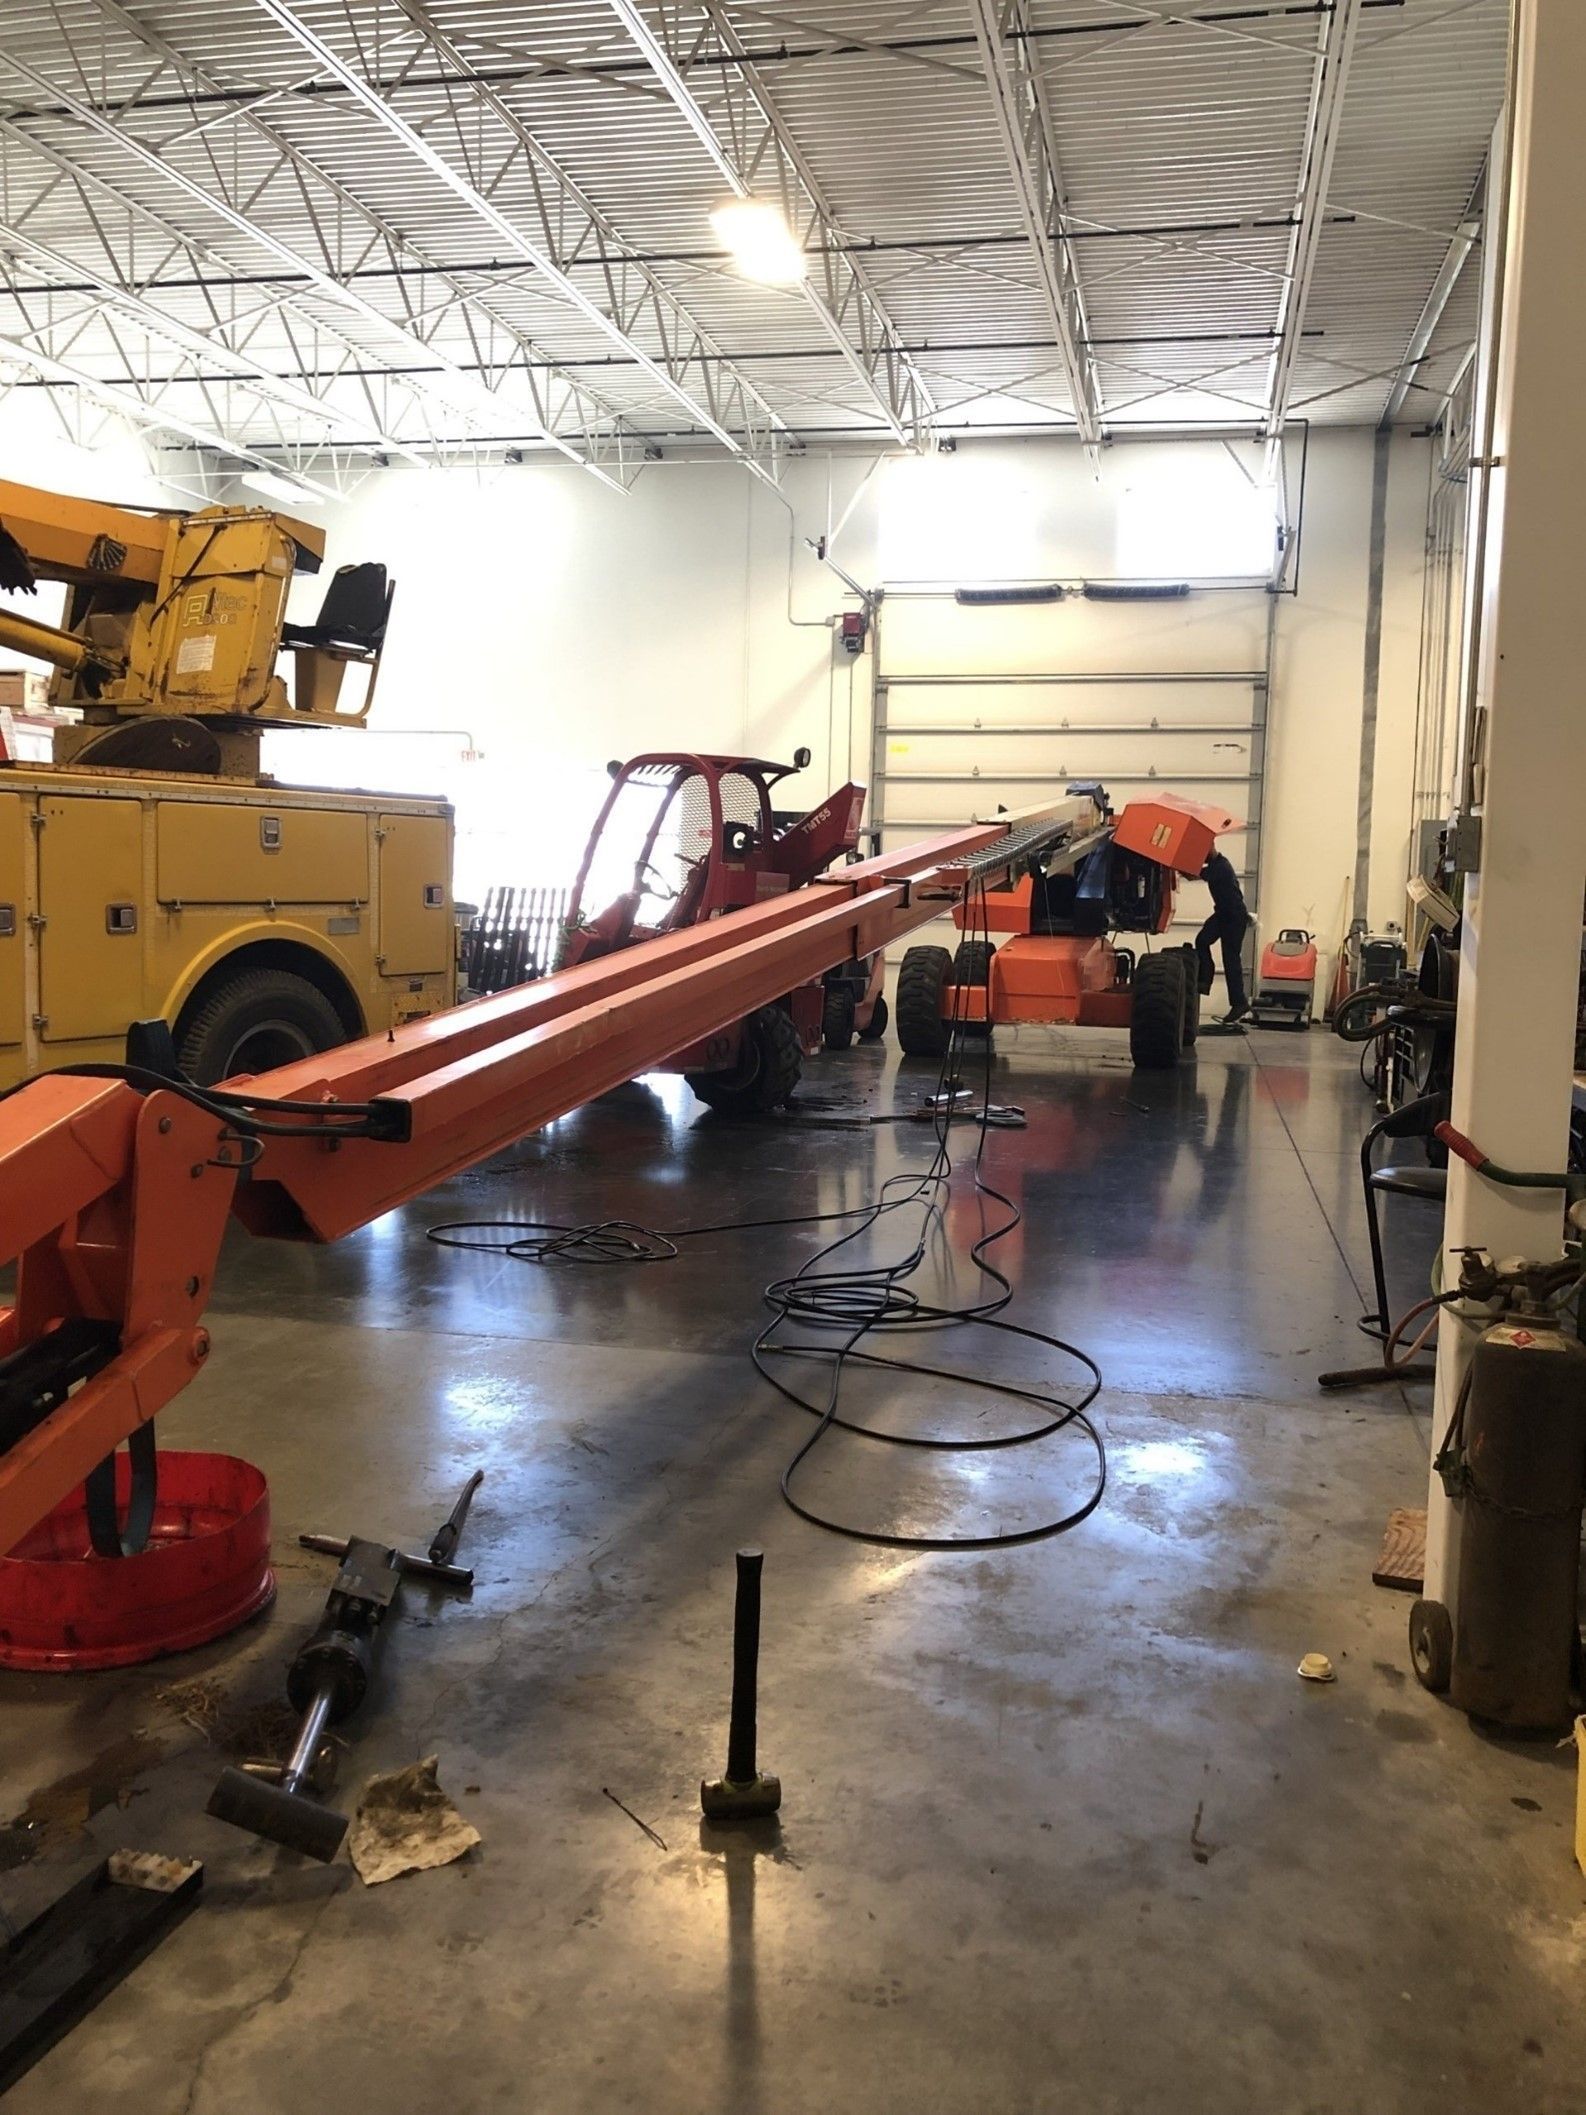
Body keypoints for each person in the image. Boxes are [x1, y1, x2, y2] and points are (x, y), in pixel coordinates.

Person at [1195, 849, 1251, 1023]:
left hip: (1233, 916)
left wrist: (1176, 864)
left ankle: (1239, 1003)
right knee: (1202, 940)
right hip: (1223, 914)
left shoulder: (1220, 866)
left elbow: (1195, 874)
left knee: (1231, 959)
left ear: (1211, 846)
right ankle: (1205, 979)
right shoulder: (1216, 864)